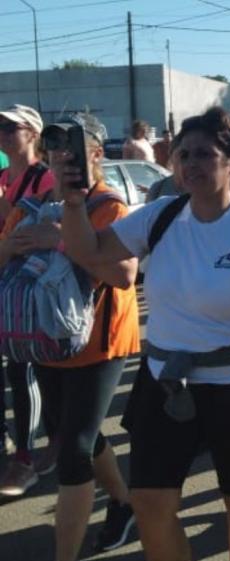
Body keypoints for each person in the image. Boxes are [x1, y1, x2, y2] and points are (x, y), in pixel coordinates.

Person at [61, 107, 230, 561]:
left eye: (205, 154)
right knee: (149, 503)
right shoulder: (160, 216)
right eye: (184, 155)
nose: (191, 164)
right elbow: (89, 249)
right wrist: (72, 203)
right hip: (166, 384)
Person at [0, 112, 140, 559]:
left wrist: (59, 241)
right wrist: (13, 245)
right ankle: (123, 503)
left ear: (96, 154)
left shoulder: (108, 206)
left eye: (74, 150)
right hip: (45, 340)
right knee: (81, 434)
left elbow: (122, 274)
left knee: (74, 449)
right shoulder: (31, 207)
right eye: (57, 149)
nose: (63, 159)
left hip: (101, 343)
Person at [0, 104, 56, 497]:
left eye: (9, 127)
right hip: (6, 282)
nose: (1, 133)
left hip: (32, 289)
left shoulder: (45, 177)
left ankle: (25, 457)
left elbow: (31, 234)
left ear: (32, 133)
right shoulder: (4, 177)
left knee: (25, 370)